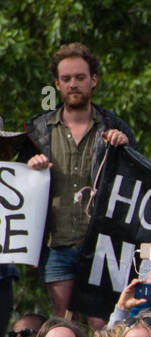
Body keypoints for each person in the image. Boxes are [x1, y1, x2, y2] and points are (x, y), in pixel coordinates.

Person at [19, 43, 135, 320]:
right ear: (57, 84)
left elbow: (136, 179)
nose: (74, 84)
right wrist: (30, 166)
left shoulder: (113, 125)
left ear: (93, 80)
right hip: (57, 242)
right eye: (67, 79)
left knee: (103, 323)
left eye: (80, 77)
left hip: (102, 242)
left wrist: (125, 147)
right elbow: (18, 184)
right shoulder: (38, 129)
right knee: (63, 321)